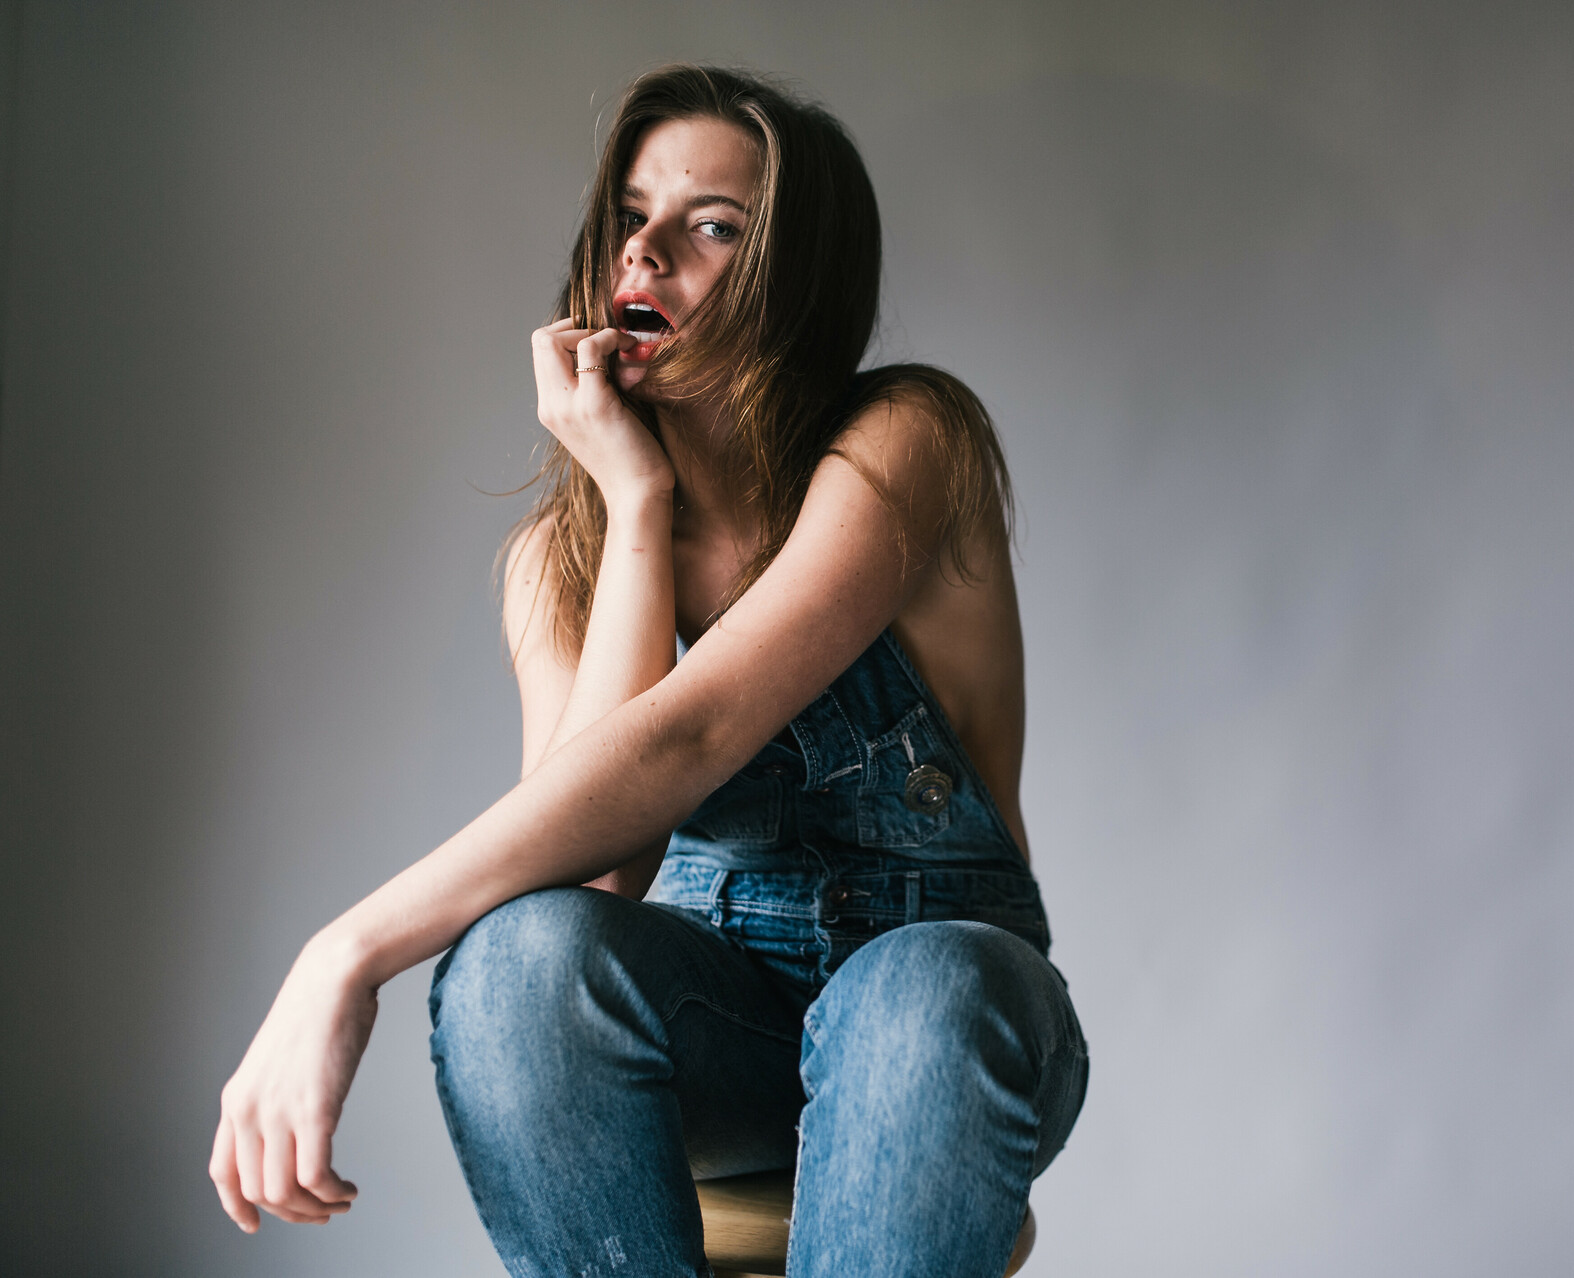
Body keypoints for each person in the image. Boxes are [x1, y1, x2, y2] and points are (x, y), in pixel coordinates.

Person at [209, 64, 1088, 1278]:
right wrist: (633, 504)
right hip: (721, 1033)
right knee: (519, 960)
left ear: (793, 275)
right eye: (631, 216)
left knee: (919, 990)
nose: (646, 249)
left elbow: (692, 734)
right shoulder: (558, 563)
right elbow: (595, 881)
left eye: (711, 225)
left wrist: (343, 954)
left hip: (947, 1022)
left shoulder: (904, 442)